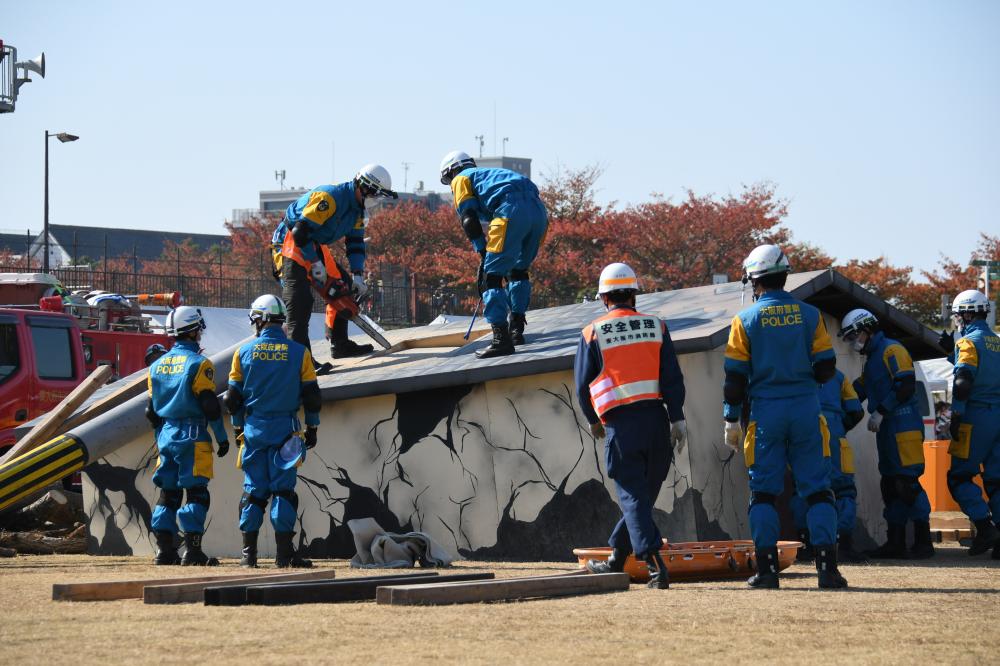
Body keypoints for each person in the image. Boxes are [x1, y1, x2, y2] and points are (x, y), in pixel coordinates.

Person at [723, 244, 846, 589]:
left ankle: (767, 572)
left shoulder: (744, 320)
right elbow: (825, 368)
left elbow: (734, 380)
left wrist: (731, 420)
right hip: (807, 409)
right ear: (785, 275)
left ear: (753, 279)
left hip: (765, 412)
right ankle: (828, 571)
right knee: (819, 491)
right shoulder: (810, 315)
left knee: (763, 494)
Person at [575, 263, 687, 589]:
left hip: (621, 428)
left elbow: (583, 387)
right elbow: (673, 378)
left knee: (634, 499)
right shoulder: (657, 326)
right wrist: (677, 416)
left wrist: (593, 420)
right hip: (658, 423)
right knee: (640, 500)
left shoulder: (592, 332)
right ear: (634, 294)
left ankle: (654, 566)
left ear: (603, 298)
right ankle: (615, 559)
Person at [224, 294, 322, 568]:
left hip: (254, 430)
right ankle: (284, 555)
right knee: (283, 492)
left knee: (254, 491)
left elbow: (232, 399)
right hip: (286, 431)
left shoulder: (241, 353)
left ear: (259, 320)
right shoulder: (299, 352)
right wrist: (312, 426)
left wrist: (237, 429)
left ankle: (248, 556)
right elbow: (312, 396)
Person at [270, 165, 397, 369]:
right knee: (300, 302)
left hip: (312, 242)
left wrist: (357, 275)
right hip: (289, 241)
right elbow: (300, 232)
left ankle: (340, 344)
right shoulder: (330, 198)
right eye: (375, 194)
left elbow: (355, 243)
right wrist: (314, 262)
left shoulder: (357, 211)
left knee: (343, 287)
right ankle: (302, 364)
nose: (376, 200)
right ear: (363, 187)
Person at [838, 308, 934, 559]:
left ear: (867, 329)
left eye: (853, 336)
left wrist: (881, 410)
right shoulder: (872, 360)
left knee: (908, 484)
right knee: (891, 485)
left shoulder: (893, 350)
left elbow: (906, 385)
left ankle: (924, 542)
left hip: (904, 424)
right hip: (888, 429)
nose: (852, 342)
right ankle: (896, 542)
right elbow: (860, 389)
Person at [439, 151, 549, 358]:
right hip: (539, 214)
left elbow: (468, 219)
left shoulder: (461, 178)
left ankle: (501, 339)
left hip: (511, 211)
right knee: (518, 271)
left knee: (491, 278)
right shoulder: (495, 174)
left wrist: (482, 251)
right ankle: (516, 329)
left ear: (451, 171)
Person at [145, 306, 229, 566]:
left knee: (167, 493)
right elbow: (209, 404)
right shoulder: (199, 364)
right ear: (193, 331)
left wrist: (162, 437)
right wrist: (221, 437)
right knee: (196, 492)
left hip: (166, 435)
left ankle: (164, 551)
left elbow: (151, 411)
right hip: (192, 434)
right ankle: (193, 551)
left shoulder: (156, 366)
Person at [945, 290, 1000, 558]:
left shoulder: (968, 342)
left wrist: (956, 415)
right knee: (997, 480)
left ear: (966, 313)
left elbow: (964, 380)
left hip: (976, 417)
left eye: (958, 315)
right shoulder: (997, 342)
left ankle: (984, 527)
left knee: (958, 477)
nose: (957, 320)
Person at [790, 370, 866, 562]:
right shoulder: (839, 376)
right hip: (833, 431)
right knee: (843, 490)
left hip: (804, 430)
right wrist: (839, 426)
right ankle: (844, 544)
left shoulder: (794, 372)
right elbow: (856, 410)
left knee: (802, 489)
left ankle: (805, 545)